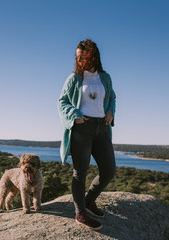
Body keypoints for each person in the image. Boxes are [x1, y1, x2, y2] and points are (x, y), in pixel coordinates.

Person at [57, 39, 116, 230]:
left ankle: (89, 200)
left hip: (102, 128)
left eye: (83, 56)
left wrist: (110, 112)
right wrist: (76, 116)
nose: (79, 59)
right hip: (82, 127)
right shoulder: (74, 79)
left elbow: (112, 98)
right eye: (77, 56)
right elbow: (62, 101)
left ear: (93, 55)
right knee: (79, 172)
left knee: (109, 170)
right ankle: (80, 213)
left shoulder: (105, 78)